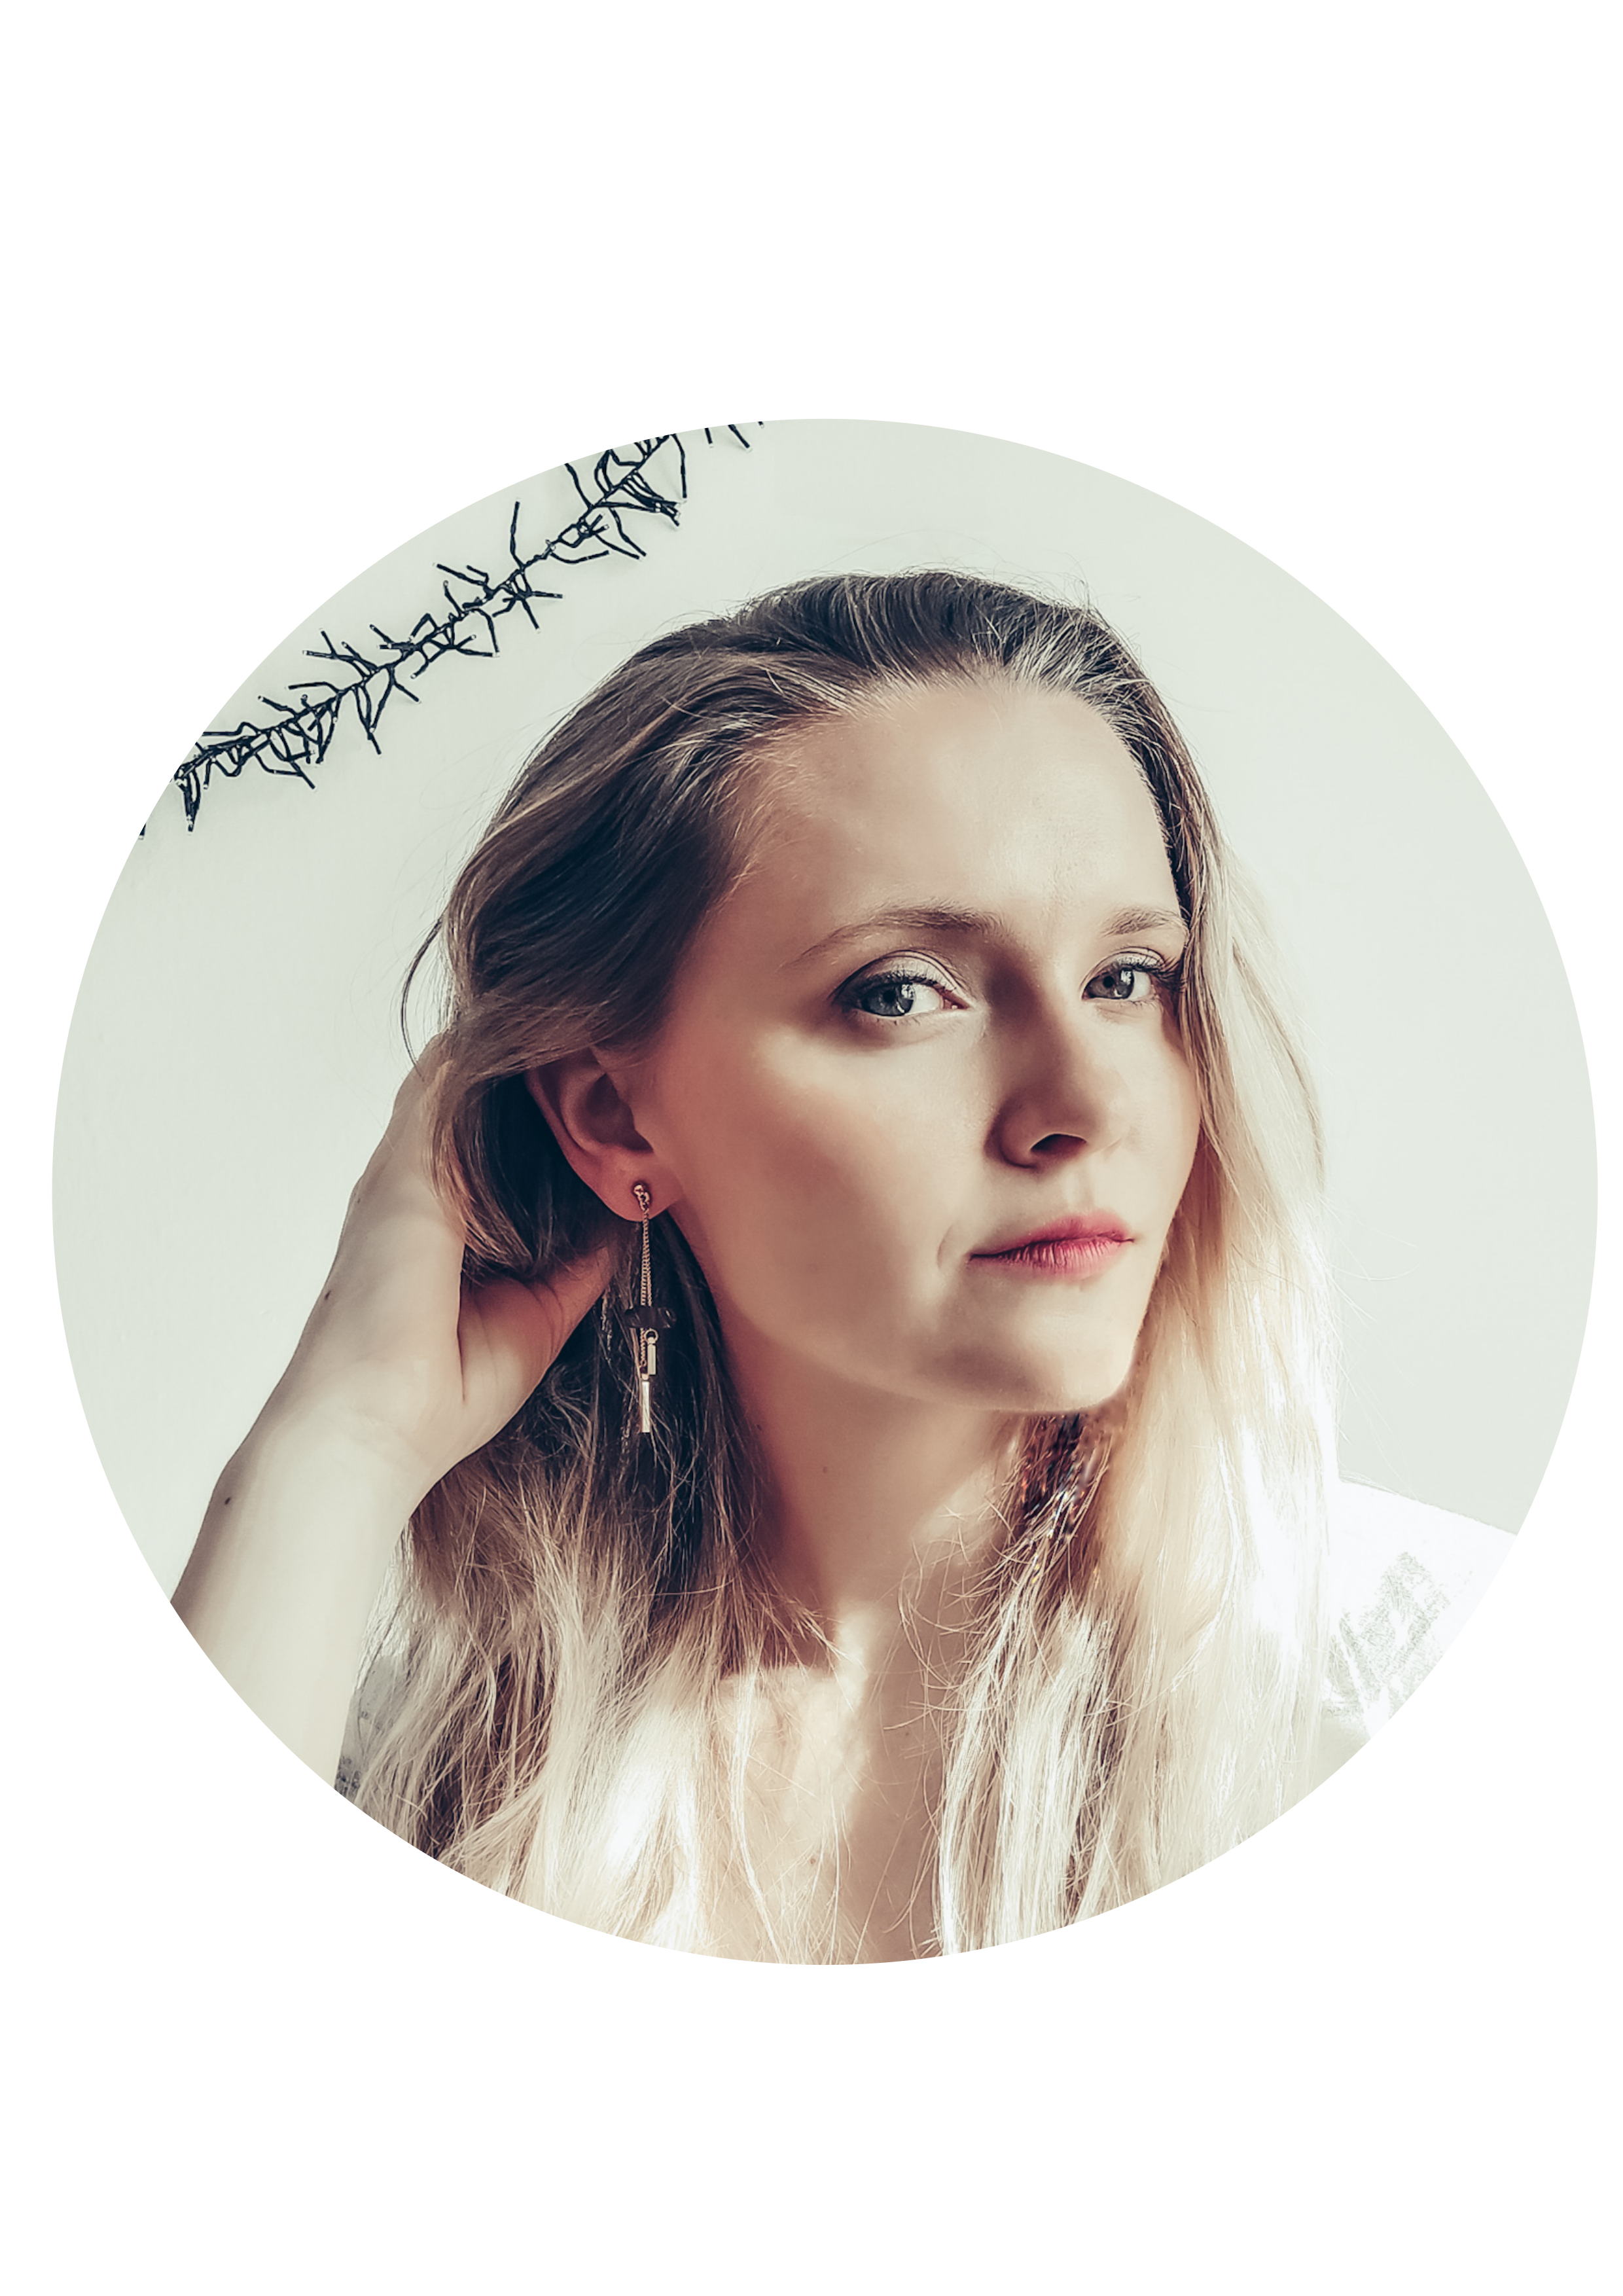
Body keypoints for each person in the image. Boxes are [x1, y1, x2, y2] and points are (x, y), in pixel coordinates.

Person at [173, 569, 1510, 1962]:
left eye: (1126, 979)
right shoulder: (401, 1766)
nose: (1085, 1102)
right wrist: (332, 1455)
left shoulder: (1406, 1682)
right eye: (902, 991)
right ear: (613, 1116)